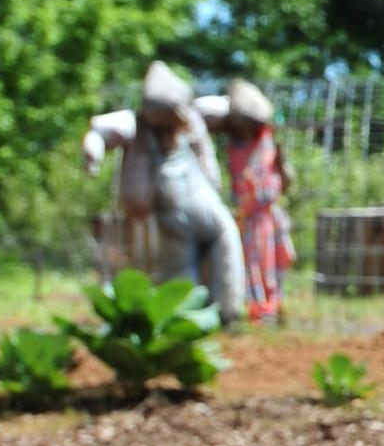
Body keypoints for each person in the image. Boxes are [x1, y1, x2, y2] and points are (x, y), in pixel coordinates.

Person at [81, 63, 249, 323]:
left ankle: (225, 315)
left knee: (221, 258)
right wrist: (94, 148)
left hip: (202, 211)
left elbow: (224, 108)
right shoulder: (141, 124)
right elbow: (102, 130)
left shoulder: (191, 119)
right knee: (183, 270)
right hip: (182, 214)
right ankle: (191, 320)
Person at [215, 81, 289, 323]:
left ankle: (269, 307)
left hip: (265, 216)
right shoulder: (234, 147)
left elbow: (284, 177)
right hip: (246, 217)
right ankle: (255, 308)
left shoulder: (267, 141)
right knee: (251, 263)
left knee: (268, 262)